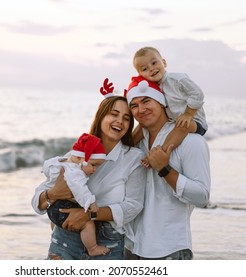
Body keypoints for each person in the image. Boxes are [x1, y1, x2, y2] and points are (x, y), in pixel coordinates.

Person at [31, 81, 147, 260]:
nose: (119, 121)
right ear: (101, 117)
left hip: (108, 243)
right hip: (66, 239)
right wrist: (53, 194)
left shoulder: (133, 158)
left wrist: (89, 214)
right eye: (114, 114)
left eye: (126, 118)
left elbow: (133, 206)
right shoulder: (78, 155)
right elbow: (37, 202)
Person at [123, 76, 211, 260]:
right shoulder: (134, 144)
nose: (141, 109)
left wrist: (164, 169)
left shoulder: (191, 141)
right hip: (130, 246)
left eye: (147, 101)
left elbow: (202, 197)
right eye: (134, 105)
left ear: (162, 102)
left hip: (169, 248)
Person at [131, 46, 208, 162]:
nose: (151, 69)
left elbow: (198, 94)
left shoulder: (177, 79)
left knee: (182, 126)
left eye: (154, 63)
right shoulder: (153, 89)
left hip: (194, 121)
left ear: (164, 62)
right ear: (140, 75)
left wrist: (188, 114)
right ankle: (127, 146)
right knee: (145, 124)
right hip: (174, 122)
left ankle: (159, 153)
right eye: (145, 69)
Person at [41, 132, 110, 257]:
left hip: (53, 208)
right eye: (93, 165)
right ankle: (93, 248)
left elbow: (48, 166)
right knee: (88, 224)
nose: (95, 170)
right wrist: (90, 203)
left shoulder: (63, 163)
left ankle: (56, 231)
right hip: (62, 207)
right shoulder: (75, 172)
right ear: (79, 159)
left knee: (58, 223)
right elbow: (80, 190)